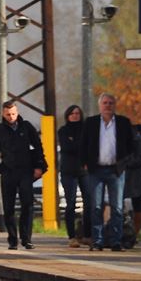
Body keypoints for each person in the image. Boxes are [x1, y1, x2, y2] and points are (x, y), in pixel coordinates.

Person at [0, 100, 48, 250]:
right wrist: (0, 168)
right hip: (8, 173)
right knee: (9, 207)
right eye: (8, 114)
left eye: (13, 113)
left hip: (26, 172)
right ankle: (13, 240)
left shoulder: (27, 128)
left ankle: (26, 239)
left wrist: (39, 166)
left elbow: (38, 147)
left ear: (17, 112)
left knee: (28, 205)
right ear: (3, 114)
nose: (11, 117)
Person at [79, 92, 137, 251]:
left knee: (117, 207)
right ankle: (97, 241)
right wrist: (84, 163)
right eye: (105, 103)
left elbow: (131, 146)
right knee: (96, 206)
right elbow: (83, 144)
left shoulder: (123, 123)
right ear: (100, 105)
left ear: (114, 105)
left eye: (110, 103)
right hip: (95, 170)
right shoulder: (91, 123)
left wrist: (125, 163)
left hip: (115, 171)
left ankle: (116, 241)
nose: (108, 106)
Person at [57, 105, 91, 247]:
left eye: (77, 113)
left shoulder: (87, 129)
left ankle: (87, 234)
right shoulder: (63, 131)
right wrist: (81, 146)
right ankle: (72, 236)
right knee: (70, 204)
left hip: (84, 171)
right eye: (72, 113)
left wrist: (78, 145)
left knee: (88, 202)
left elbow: (90, 147)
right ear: (68, 116)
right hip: (69, 171)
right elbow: (66, 147)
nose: (75, 116)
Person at [120, 125, 141, 249]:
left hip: (136, 177)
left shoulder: (138, 140)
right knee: (119, 203)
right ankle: (122, 232)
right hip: (127, 176)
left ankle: (134, 233)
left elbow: (140, 158)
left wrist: (124, 162)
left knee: (137, 204)